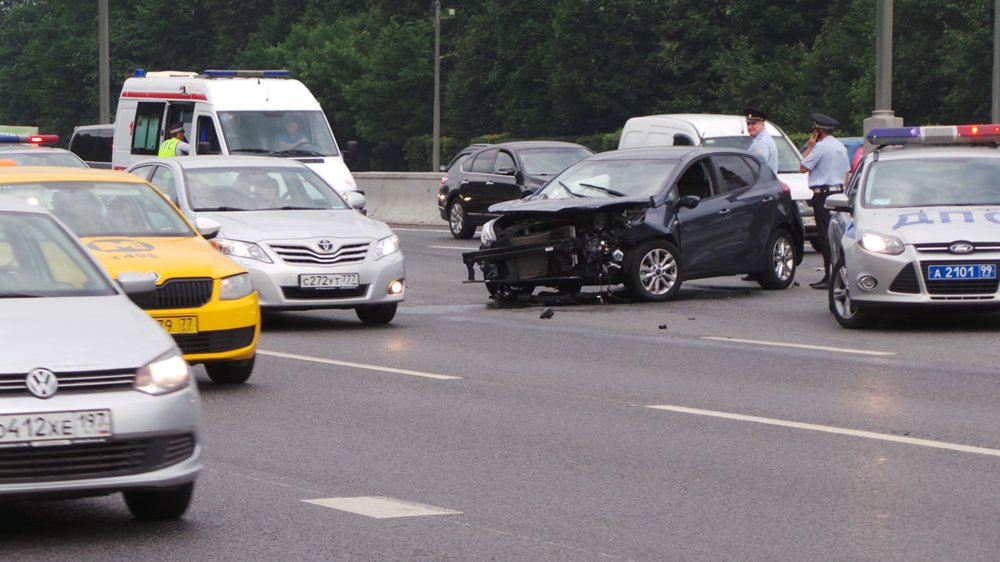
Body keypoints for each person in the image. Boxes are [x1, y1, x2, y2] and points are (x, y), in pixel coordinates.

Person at [800, 112, 850, 289]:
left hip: (823, 195)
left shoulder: (819, 148)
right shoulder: (840, 147)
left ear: (818, 131)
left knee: (825, 236)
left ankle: (829, 277)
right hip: (838, 194)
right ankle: (839, 274)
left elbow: (803, 167)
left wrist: (810, 147)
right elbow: (846, 175)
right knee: (837, 235)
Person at [743, 107, 778, 175]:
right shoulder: (765, 138)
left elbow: (757, 167)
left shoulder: (761, 142)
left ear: (762, 124)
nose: (750, 127)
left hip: (763, 183)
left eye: (753, 123)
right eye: (748, 124)